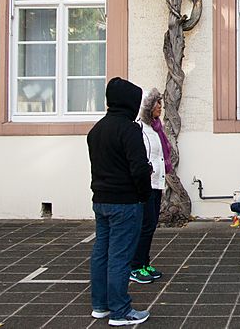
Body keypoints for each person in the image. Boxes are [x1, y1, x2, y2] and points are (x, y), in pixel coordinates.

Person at [88, 77, 152, 326]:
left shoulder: (97, 129)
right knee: (120, 256)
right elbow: (138, 169)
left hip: (101, 199)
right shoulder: (129, 130)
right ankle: (120, 311)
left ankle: (100, 305)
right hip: (125, 202)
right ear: (129, 102)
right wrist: (144, 195)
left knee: (101, 252)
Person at [129, 88, 172, 284]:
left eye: (161, 104)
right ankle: (135, 265)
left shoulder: (156, 128)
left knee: (151, 225)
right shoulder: (140, 129)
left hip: (157, 183)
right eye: (157, 104)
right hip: (146, 184)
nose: (160, 108)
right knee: (144, 226)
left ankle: (144, 262)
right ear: (147, 107)